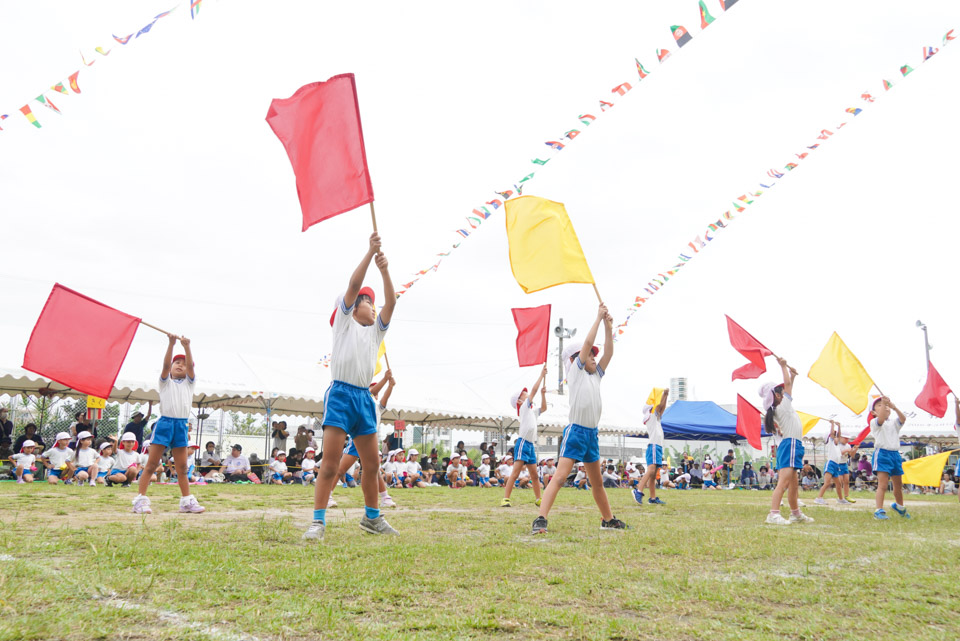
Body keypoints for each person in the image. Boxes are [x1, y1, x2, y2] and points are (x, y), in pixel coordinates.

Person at [305, 233, 399, 542]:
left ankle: (372, 517)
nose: (373, 307)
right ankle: (318, 522)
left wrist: (384, 269)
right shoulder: (343, 324)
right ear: (354, 308)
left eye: (373, 303)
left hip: (364, 399)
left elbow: (393, 301)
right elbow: (354, 285)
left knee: (371, 464)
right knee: (330, 464)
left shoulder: (375, 335)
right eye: (368, 302)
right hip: (341, 394)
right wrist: (370, 252)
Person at [532, 303, 627, 534]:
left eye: (595, 355)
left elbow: (610, 352)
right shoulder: (576, 373)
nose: (595, 356)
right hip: (576, 432)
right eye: (591, 355)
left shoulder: (596, 376)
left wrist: (608, 325)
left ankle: (608, 519)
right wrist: (597, 318)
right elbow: (586, 344)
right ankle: (540, 519)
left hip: (591, 435)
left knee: (597, 483)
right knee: (560, 476)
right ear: (577, 360)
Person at [132, 335, 204, 514]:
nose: (180, 364)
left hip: (181, 425)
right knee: (151, 464)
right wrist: (171, 344)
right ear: (170, 368)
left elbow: (191, 366)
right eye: (176, 362)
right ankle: (140, 500)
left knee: (182, 467)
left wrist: (187, 346)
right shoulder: (165, 383)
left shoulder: (189, 383)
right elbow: (165, 366)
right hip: (164, 424)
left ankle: (186, 501)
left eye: (184, 363)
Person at [760, 357, 814, 525]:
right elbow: (788, 386)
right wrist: (783, 367)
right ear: (777, 395)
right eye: (781, 391)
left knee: (793, 484)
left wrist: (792, 375)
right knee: (784, 482)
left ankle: (795, 513)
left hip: (793, 445)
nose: (785, 392)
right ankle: (773, 514)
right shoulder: (782, 406)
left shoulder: (782, 407)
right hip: (790, 445)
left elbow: (788, 386)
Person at [501, 364, 548, 507]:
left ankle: (539, 499)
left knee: (534, 475)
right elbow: (533, 390)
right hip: (522, 443)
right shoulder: (523, 407)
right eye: (524, 394)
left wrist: (543, 395)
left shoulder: (531, 410)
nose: (527, 394)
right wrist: (541, 375)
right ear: (519, 401)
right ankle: (506, 498)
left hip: (530, 445)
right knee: (515, 473)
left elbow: (544, 408)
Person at [869, 397, 909, 520]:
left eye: (885, 405)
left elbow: (903, 419)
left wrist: (894, 407)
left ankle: (900, 507)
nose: (884, 406)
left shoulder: (893, 423)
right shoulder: (875, 422)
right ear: (873, 413)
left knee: (898, 484)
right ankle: (879, 510)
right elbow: (881, 418)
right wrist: (886, 405)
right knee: (883, 484)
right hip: (882, 454)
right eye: (879, 405)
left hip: (895, 455)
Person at [634, 388, 669, 506]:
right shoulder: (651, 417)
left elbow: (662, 408)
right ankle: (638, 491)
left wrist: (666, 395)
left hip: (657, 447)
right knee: (651, 471)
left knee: (653, 475)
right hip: (654, 446)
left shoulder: (656, 419)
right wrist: (664, 395)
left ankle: (652, 498)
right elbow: (660, 407)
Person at [815, 421, 845, 505]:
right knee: (827, 483)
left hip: (836, 465)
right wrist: (832, 425)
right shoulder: (830, 442)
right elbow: (832, 434)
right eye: (833, 435)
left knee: (838, 483)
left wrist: (839, 426)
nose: (835, 436)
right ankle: (819, 498)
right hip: (830, 464)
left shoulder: (836, 443)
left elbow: (838, 436)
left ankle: (840, 499)